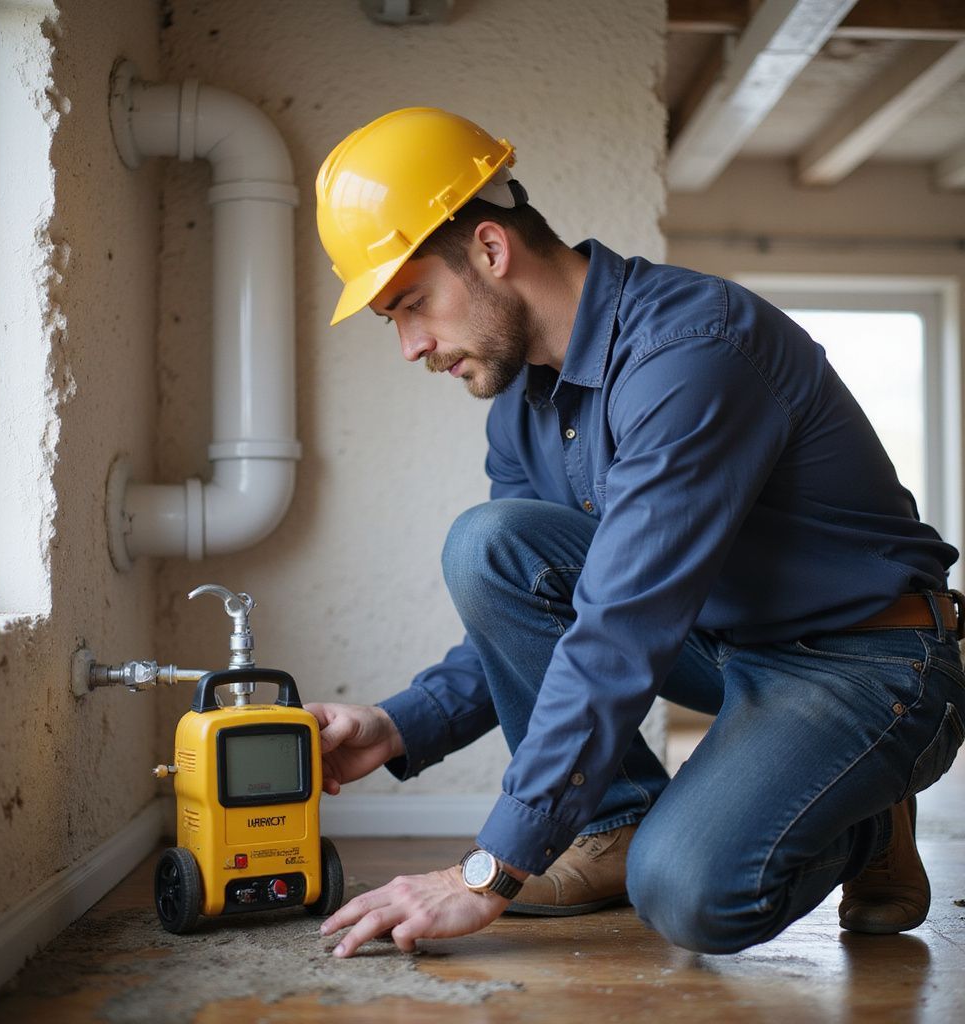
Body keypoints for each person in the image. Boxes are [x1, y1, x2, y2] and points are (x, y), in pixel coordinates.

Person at [308, 107, 965, 960]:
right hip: (727, 645)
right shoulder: (520, 406)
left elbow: (621, 624)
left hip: (867, 661)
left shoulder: (692, 352)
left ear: (490, 249)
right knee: (491, 543)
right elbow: (559, 607)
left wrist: (490, 870)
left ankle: (865, 819)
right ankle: (614, 828)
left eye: (412, 304)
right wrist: (400, 725)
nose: (409, 346)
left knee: (690, 896)